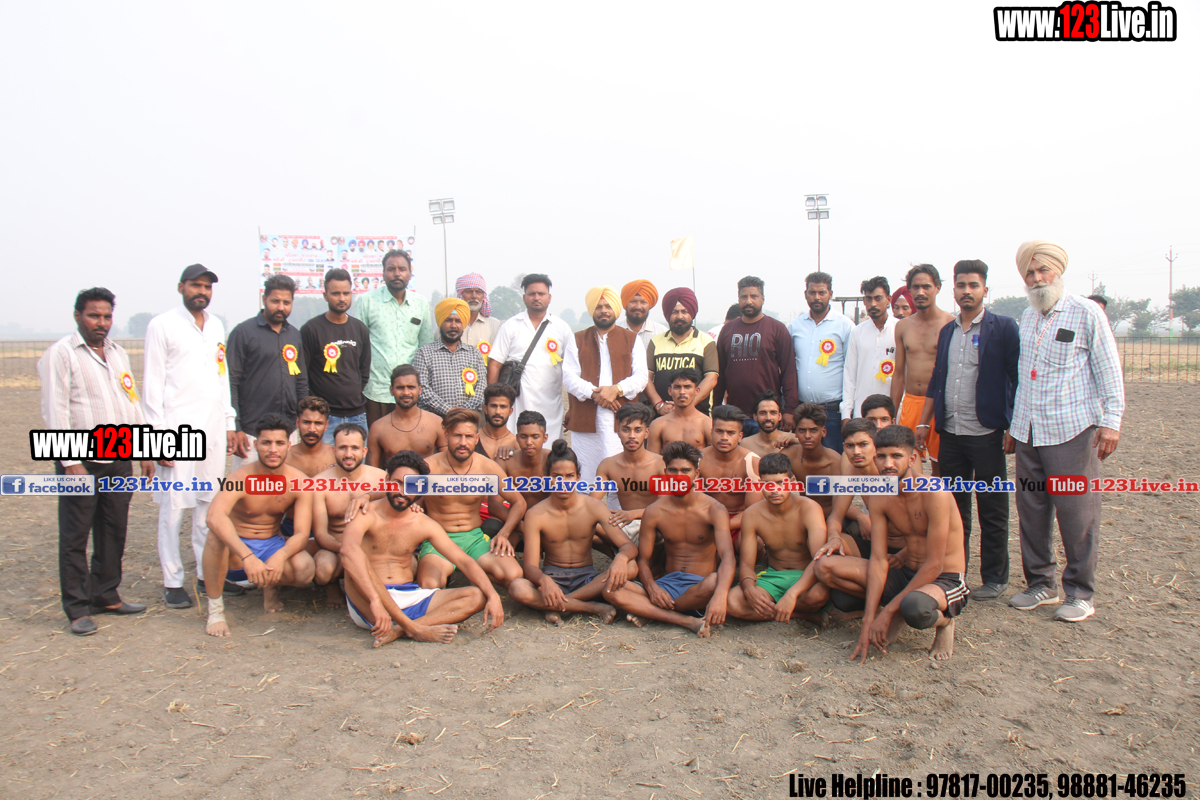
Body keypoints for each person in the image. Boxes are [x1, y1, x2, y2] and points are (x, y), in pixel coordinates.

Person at [1006, 240, 1124, 623]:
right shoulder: (1027, 317)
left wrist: (1111, 422)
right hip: (1030, 432)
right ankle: (1040, 584)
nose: (1037, 278)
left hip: (1071, 430)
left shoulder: (1086, 312)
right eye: (1030, 273)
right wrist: (1015, 427)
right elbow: (1024, 378)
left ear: (1058, 271)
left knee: (1076, 514)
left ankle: (1080, 593)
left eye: (1043, 270)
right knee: (1032, 511)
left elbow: (1108, 370)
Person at [39, 288, 153, 635]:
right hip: (81, 459)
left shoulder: (118, 353)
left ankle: (105, 593)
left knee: (113, 528)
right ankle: (77, 607)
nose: (101, 323)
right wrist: (70, 461)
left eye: (106, 316)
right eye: (93, 315)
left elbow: (131, 401)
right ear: (78, 316)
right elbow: (55, 409)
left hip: (119, 456)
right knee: (76, 533)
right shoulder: (62, 353)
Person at [813, 425, 968, 662]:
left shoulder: (934, 492)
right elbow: (878, 560)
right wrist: (869, 620)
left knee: (914, 607)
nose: (888, 464)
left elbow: (935, 565)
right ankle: (896, 608)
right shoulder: (880, 495)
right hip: (906, 572)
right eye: (882, 457)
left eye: (896, 456)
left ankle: (945, 622)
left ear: (912, 459)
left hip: (943, 578)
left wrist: (889, 612)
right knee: (825, 567)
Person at [917, 260, 1020, 601]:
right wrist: (925, 422)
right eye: (961, 285)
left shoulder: (1003, 328)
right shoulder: (947, 331)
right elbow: (937, 379)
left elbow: (1016, 379)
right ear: (954, 289)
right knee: (953, 509)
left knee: (992, 508)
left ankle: (994, 578)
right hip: (950, 433)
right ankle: (954, 574)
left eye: (973, 285)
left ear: (985, 290)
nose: (967, 291)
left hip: (987, 433)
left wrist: (1013, 425)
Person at [142, 264, 239, 609]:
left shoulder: (216, 326)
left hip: (212, 431)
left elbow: (222, 377)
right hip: (176, 430)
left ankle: (205, 573)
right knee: (173, 509)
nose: (202, 291)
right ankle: (172, 581)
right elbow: (152, 386)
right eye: (196, 285)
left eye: (207, 287)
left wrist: (228, 421)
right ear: (181, 286)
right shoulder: (162, 325)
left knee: (207, 506)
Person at [339, 450, 503, 647]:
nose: (403, 492)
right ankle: (414, 628)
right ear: (386, 480)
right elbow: (347, 551)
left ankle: (401, 629)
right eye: (398, 483)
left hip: (408, 596)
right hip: (369, 600)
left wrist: (493, 595)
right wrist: (374, 599)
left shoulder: (422, 523)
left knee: (476, 596)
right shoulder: (366, 512)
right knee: (356, 557)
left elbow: (464, 560)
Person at [602, 442, 735, 637]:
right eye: (673, 470)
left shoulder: (714, 510)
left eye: (685, 470)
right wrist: (652, 588)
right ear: (665, 473)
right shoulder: (654, 511)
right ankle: (685, 620)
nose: (678, 476)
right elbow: (643, 561)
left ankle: (651, 612)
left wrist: (721, 596)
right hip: (667, 584)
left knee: (715, 581)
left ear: (697, 474)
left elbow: (728, 557)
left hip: (699, 586)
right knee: (610, 589)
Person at [202, 415, 318, 637]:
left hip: (271, 544)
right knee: (215, 536)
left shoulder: (300, 482)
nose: (273, 450)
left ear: (288, 445)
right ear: (256, 445)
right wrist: (247, 557)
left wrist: (280, 556)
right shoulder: (239, 478)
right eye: (266, 443)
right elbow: (214, 517)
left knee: (305, 569)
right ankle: (215, 612)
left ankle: (270, 586)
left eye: (279, 443)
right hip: (238, 550)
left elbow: (302, 534)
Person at [508, 440, 638, 625]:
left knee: (631, 567)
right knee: (517, 588)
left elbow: (628, 546)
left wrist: (621, 559)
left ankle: (559, 605)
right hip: (553, 579)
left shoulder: (594, 507)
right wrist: (544, 580)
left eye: (569, 476)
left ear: (578, 477)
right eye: (557, 476)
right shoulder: (535, 514)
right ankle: (590, 607)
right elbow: (530, 567)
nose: (563, 483)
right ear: (547, 478)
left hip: (588, 580)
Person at [417, 409, 526, 590]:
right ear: (446, 436)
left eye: (468, 437)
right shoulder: (429, 467)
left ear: (476, 439)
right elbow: (399, 495)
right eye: (457, 436)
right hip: (439, 538)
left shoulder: (487, 467)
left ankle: (473, 573)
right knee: (429, 585)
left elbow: (519, 502)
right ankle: (466, 578)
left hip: (474, 538)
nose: (463, 442)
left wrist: (504, 533)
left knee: (513, 574)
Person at [726, 453, 829, 624]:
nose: (774, 490)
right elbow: (746, 565)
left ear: (792, 481)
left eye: (781, 483)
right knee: (732, 602)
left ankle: (785, 606)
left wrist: (792, 593)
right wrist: (749, 588)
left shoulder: (809, 508)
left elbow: (819, 559)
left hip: (806, 576)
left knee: (818, 595)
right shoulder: (752, 514)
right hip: (774, 576)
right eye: (767, 484)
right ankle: (800, 614)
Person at [563, 286, 648, 481]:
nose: (603, 310)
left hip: (621, 419)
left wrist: (616, 389)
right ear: (591, 310)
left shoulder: (632, 339)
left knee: (620, 477)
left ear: (616, 309)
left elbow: (642, 376)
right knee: (586, 475)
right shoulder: (577, 339)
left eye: (608, 306)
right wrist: (596, 394)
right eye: (598, 306)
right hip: (585, 419)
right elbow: (569, 376)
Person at [227, 274, 308, 470]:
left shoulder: (294, 335)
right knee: (248, 485)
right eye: (275, 301)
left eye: (286, 302)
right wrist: (236, 427)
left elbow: (300, 381)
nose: (281, 307)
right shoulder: (243, 333)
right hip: (251, 431)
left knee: (284, 485)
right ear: (264, 299)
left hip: (287, 430)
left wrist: (302, 416)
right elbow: (231, 382)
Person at [487, 274, 574, 442]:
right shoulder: (511, 326)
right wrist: (493, 400)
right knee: (515, 451)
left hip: (551, 407)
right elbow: (495, 365)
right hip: (516, 406)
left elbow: (571, 371)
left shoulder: (562, 329)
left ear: (549, 298)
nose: (536, 298)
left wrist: (572, 408)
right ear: (524, 298)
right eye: (532, 294)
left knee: (548, 452)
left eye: (541, 294)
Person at [355, 249, 434, 428]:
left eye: (402, 269)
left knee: (410, 441)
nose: (397, 273)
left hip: (410, 393)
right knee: (378, 439)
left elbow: (426, 348)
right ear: (383, 273)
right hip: (376, 390)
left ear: (409, 273)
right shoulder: (367, 301)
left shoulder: (420, 304)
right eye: (391, 269)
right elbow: (358, 347)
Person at [310, 423, 385, 607]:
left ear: (364, 451)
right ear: (334, 450)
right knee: (323, 570)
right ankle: (333, 586)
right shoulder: (319, 483)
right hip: (336, 546)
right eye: (343, 448)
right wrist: (348, 549)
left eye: (354, 448)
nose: (349, 454)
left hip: (372, 546)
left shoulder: (381, 478)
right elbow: (320, 534)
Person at [714, 276, 799, 435]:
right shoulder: (727, 330)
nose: (749, 301)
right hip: (734, 414)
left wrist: (789, 410)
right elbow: (720, 374)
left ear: (763, 299)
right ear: (738, 298)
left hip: (767, 416)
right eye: (744, 297)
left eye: (754, 296)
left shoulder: (777, 329)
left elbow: (789, 372)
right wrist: (716, 408)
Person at [891, 265, 954, 471]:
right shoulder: (903, 326)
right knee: (906, 465)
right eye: (915, 287)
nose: (920, 292)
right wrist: (892, 412)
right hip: (911, 402)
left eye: (926, 286)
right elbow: (899, 374)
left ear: (937, 288)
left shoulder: (950, 324)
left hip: (938, 404)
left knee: (940, 466)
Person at [300, 267, 371, 443]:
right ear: (325, 296)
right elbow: (303, 374)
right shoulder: (311, 329)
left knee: (356, 460)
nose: (341, 298)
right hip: (324, 418)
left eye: (346, 293)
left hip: (357, 415)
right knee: (324, 461)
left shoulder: (360, 328)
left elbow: (363, 371)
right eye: (335, 293)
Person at [789, 271, 855, 452]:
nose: (817, 297)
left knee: (834, 461)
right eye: (812, 292)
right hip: (802, 411)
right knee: (803, 460)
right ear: (806, 295)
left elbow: (851, 370)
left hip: (832, 412)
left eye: (822, 292)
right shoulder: (795, 326)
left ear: (830, 294)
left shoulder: (845, 326)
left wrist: (847, 413)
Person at [594, 403, 665, 545]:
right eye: (626, 429)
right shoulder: (608, 465)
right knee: (586, 526)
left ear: (646, 433)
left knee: (661, 528)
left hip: (652, 523)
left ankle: (630, 553)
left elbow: (665, 506)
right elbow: (593, 502)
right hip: (624, 525)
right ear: (618, 431)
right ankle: (622, 551)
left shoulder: (661, 464)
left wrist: (633, 514)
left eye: (638, 430)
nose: (632, 436)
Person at [644, 287, 719, 417]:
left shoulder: (706, 341)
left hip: (698, 416)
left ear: (692, 314)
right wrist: (659, 405)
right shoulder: (656, 342)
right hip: (662, 416)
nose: (680, 316)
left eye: (684, 311)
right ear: (668, 314)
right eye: (675, 312)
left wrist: (688, 405)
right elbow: (646, 379)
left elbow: (711, 378)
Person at [698, 405, 762, 542]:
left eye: (730, 433)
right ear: (711, 433)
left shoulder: (752, 462)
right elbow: (689, 503)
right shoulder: (697, 460)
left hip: (740, 522)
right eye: (719, 431)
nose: (724, 437)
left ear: (740, 437)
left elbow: (752, 511)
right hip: (705, 521)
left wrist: (722, 527)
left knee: (755, 542)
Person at [412, 298, 487, 414]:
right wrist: (448, 411)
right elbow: (422, 388)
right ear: (440, 323)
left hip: (467, 419)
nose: (453, 325)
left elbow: (481, 389)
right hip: (434, 419)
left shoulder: (475, 354)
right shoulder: (424, 353)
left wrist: (463, 413)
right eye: (448, 320)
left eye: (458, 321)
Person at [842, 277, 898, 426]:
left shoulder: (900, 329)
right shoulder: (857, 332)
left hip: (891, 414)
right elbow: (850, 375)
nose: (873, 304)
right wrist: (846, 414)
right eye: (868, 299)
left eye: (878, 298)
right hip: (862, 413)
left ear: (888, 299)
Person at [367, 365, 446, 464]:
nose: (406, 392)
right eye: (400, 388)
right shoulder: (378, 428)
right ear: (391, 390)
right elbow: (372, 469)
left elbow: (447, 463)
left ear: (420, 389)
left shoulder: (436, 423)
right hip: (393, 474)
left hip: (428, 474)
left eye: (411, 387)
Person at [782, 403, 841, 517]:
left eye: (813, 430)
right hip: (803, 516)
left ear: (823, 432)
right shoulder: (790, 454)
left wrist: (860, 516)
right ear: (796, 433)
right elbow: (768, 476)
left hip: (832, 517)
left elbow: (841, 505)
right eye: (802, 430)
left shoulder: (835, 462)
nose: (807, 436)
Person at [497, 410, 552, 515]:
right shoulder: (505, 460)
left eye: (535, 437)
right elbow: (495, 503)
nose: (529, 442)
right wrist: (518, 523)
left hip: (547, 517)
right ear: (517, 438)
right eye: (523, 437)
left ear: (545, 438)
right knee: (492, 524)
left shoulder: (554, 460)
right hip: (514, 516)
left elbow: (565, 501)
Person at [647, 368, 711, 453]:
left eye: (687, 387)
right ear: (670, 391)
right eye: (677, 387)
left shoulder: (707, 424)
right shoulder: (658, 425)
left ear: (697, 391)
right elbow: (652, 459)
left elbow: (714, 458)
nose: (682, 392)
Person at [456, 273, 502, 362]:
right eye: (469, 291)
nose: (474, 296)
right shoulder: (451, 325)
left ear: (483, 296)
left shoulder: (495, 325)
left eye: (478, 292)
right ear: (461, 295)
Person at [286, 396, 336, 478]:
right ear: (297, 423)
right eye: (306, 422)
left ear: (326, 425)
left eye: (318, 423)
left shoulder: (336, 456)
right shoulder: (285, 457)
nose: (312, 429)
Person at [742, 391, 796, 457]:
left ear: (780, 416)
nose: (768, 418)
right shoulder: (746, 444)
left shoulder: (793, 440)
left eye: (773, 413)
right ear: (755, 416)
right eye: (762, 413)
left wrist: (795, 441)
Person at [619, 280, 666, 351]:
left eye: (643, 302)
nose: (638, 307)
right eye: (633, 301)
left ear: (649, 305)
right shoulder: (612, 333)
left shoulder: (662, 333)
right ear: (625, 303)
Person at [476, 382, 518, 459]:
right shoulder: (472, 438)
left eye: (503, 407)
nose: (498, 411)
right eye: (493, 406)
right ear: (486, 409)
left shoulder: (516, 444)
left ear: (510, 411)